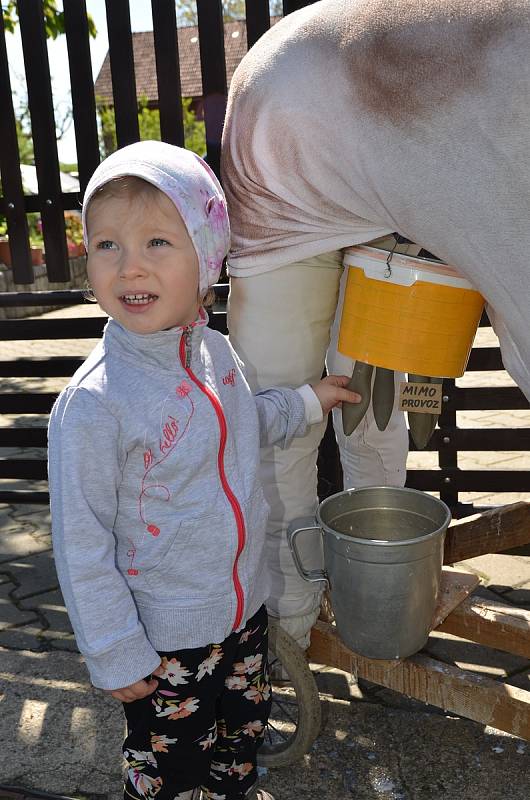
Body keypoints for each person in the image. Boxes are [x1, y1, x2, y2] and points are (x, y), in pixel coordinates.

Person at [48, 140, 361, 800]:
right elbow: (81, 543)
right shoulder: (95, 403)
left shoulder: (217, 354)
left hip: (244, 616)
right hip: (163, 642)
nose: (129, 266)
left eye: (157, 242)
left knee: (239, 749)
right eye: (107, 245)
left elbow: (246, 422)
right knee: (171, 776)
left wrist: (308, 400)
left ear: (207, 258)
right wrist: (112, 648)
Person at [221, 0, 530, 648]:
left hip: (363, 131)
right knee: (286, 416)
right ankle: (294, 615)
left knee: (367, 408)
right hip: (285, 145)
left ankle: (365, 581)